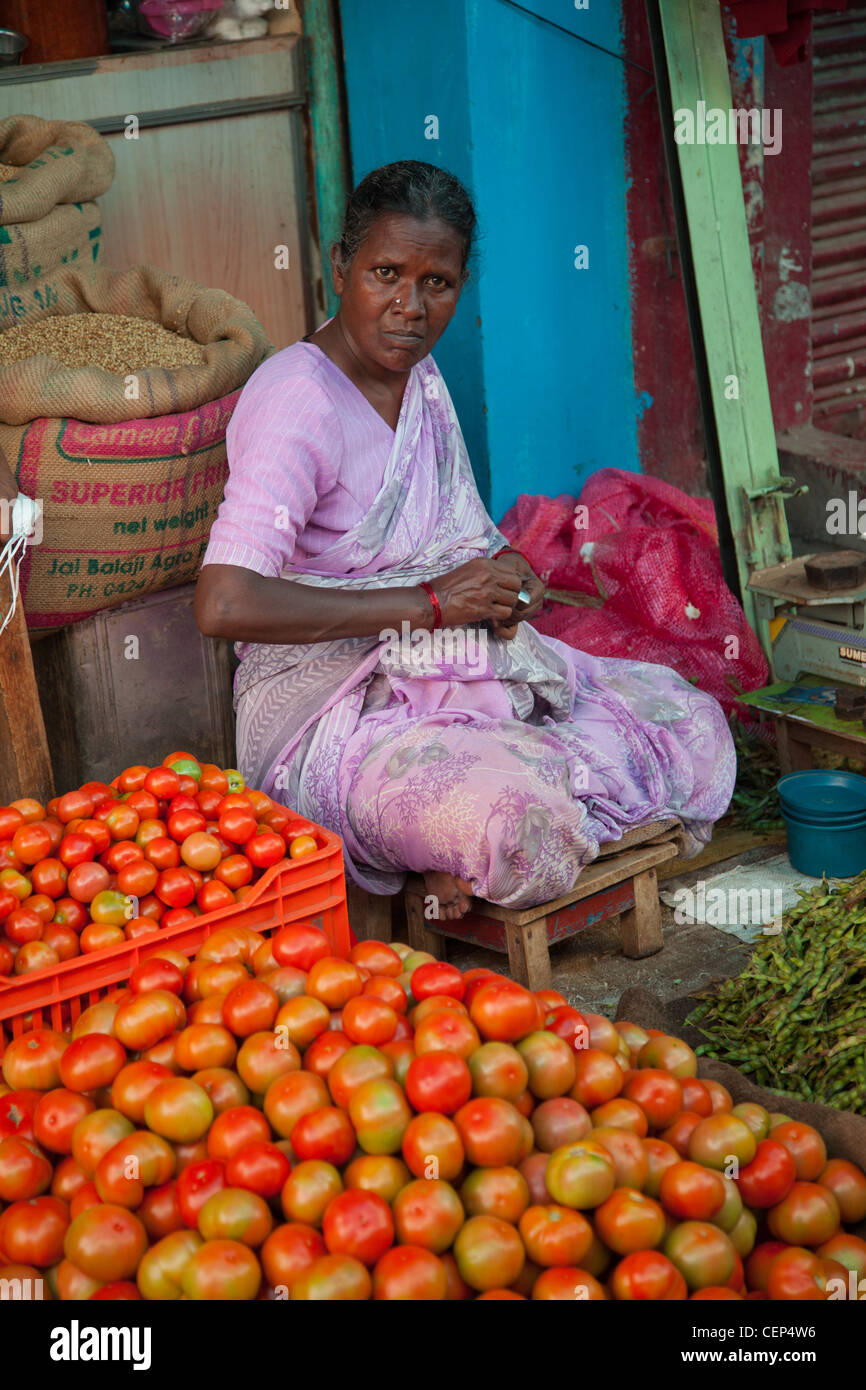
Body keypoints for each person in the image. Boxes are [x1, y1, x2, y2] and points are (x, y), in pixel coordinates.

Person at [195, 160, 735, 919]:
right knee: (517, 825)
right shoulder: (298, 402)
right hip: (333, 715)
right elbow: (223, 601)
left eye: (437, 283)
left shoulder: (419, 377)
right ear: (339, 266)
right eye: (386, 273)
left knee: (693, 723)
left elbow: (456, 542)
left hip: (456, 671)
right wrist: (428, 604)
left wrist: (503, 577)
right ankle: (457, 837)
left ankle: (462, 839)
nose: (408, 308)